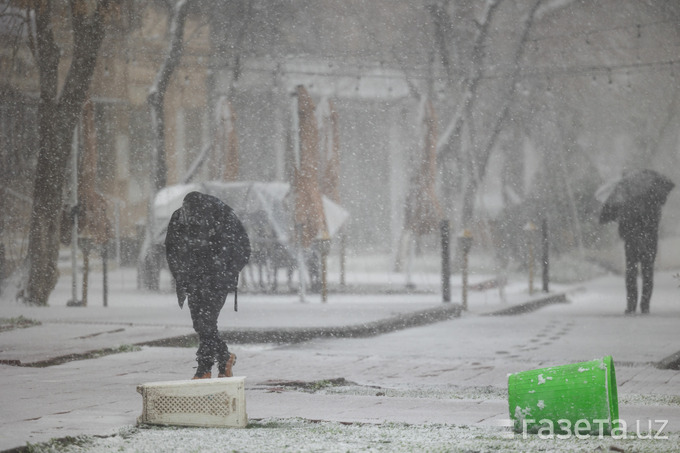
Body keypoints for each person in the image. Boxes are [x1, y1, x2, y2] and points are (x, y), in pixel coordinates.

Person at [165, 191, 250, 379]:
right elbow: (172, 250)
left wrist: (225, 274)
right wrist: (181, 276)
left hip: (216, 281)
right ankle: (225, 356)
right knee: (201, 324)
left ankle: (204, 368)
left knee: (206, 322)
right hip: (194, 280)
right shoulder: (180, 218)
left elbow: (243, 248)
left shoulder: (223, 216)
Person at [618, 199, 663, 315]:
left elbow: (621, 231)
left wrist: (630, 233)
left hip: (632, 245)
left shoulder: (627, 206)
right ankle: (645, 305)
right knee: (647, 275)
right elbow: (655, 226)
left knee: (631, 275)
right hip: (649, 245)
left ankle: (632, 305)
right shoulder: (653, 204)